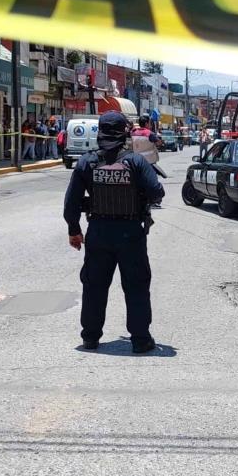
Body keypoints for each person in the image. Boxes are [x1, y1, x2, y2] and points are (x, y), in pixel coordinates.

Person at [63, 111, 165, 354]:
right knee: (137, 286)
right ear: (124, 133)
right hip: (130, 232)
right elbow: (157, 192)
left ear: (100, 132)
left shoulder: (87, 162)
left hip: (98, 232)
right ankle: (140, 340)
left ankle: (90, 338)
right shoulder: (136, 161)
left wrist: (74, 230)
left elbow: (71, 203)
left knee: (94, 286)